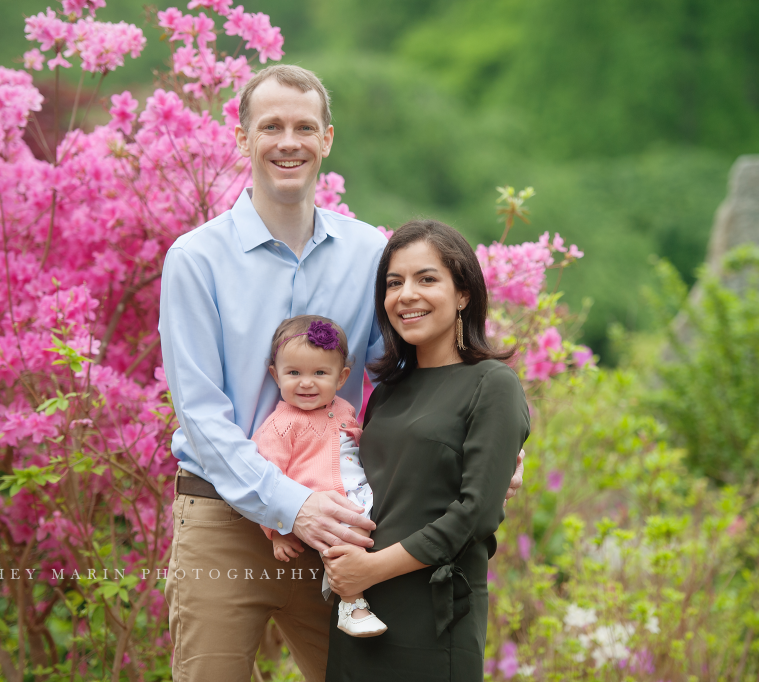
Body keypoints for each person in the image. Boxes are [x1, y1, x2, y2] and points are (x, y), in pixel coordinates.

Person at [159, 64, 524, 682]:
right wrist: (291, 506)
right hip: (224, 520)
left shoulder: (368, 254)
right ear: (243, 138)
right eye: (270, 126)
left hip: (341, 528)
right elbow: (199, 414)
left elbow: (409, 369)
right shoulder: (196, 260)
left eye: (305, 126)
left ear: (327, 138)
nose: (288, 142)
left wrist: (485, 449)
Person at [323, 219, 531, 681]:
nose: (406, 295)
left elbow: (475, 514)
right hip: (358, 612)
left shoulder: (493, 385)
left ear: (463, 294)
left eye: (427, 278)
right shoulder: (387, 392)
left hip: (435, 616)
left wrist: (370, 570)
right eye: (394, 283)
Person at [253, 315, 387, 637]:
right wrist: (279, 529)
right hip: (326, 506)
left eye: (320, 373)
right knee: (341, 542)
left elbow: (354, 441)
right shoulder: (280, 425)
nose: (306, 382)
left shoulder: (343, 408)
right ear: (276, 375)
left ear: (341, 378)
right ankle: (351, 606)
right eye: (294, 373)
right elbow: (267, 480)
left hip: (363, 493)